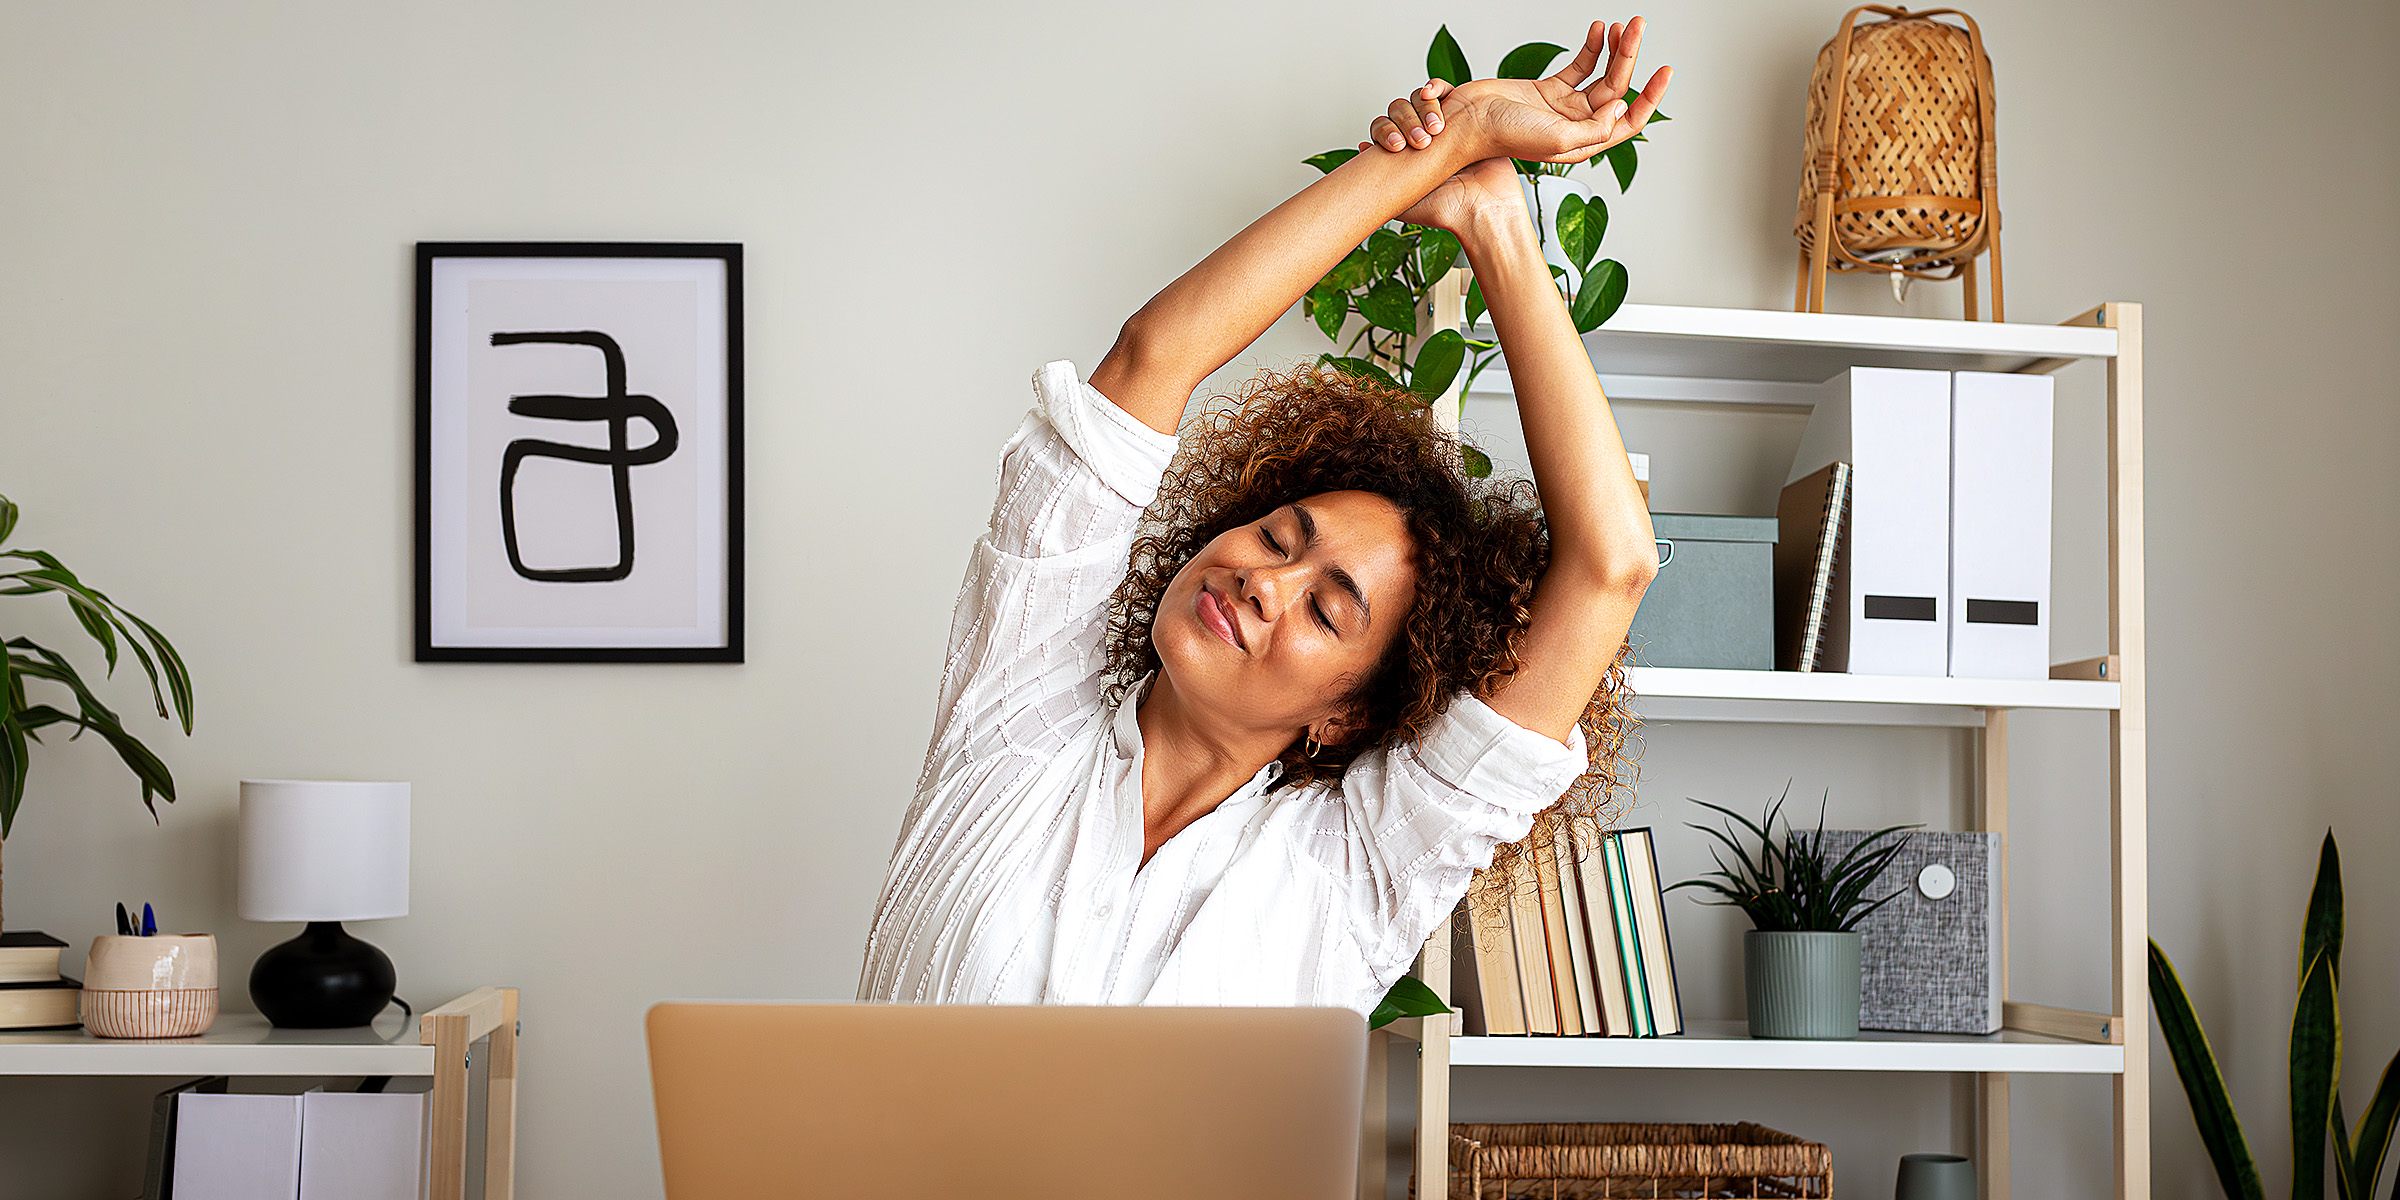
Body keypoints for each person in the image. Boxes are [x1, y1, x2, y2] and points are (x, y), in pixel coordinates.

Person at [859, 18, 1672, 1015]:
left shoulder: (1357, 870)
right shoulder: (1018, 709)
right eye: (1279, 537)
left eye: (1328, 611)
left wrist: (1496, 226)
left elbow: (1611, 566)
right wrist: (1438, 148)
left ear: (1348, 714)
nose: (1263, 580)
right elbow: (1150, 360)